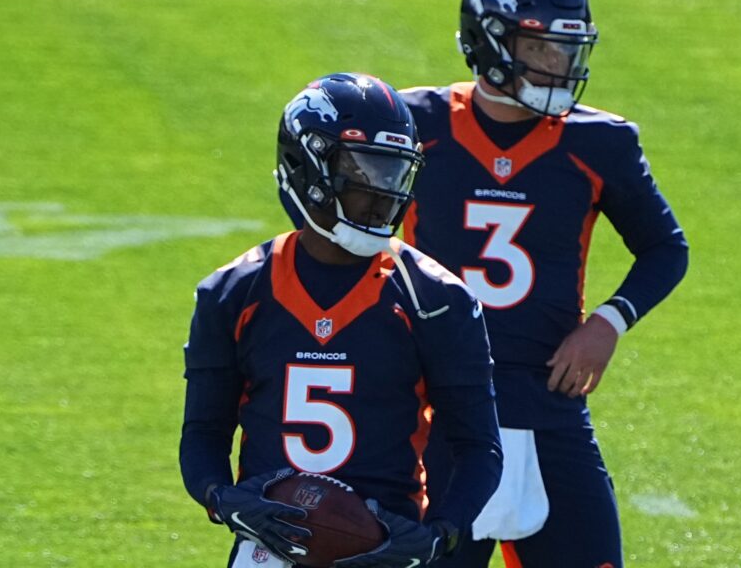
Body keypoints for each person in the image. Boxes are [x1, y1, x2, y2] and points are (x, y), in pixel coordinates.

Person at [399, 0, 690, 568]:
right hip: (436, 406)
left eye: (567, 47)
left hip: (547, 399)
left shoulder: (599, 142)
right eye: (540, 46)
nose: (559, 63)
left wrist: (607, 323)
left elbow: (666, 247)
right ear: (490, 39)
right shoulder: (413, 125)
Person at [180, 72, 503, 568]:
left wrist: (440, 534)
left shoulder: (436, 299)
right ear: (307, 169)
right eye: (366, 172)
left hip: (384, 548)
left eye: (395, 174)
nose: (384, 195)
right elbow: (203, 433)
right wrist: (226, 501)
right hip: (267, 548)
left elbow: (479, 446)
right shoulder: (233, 293)